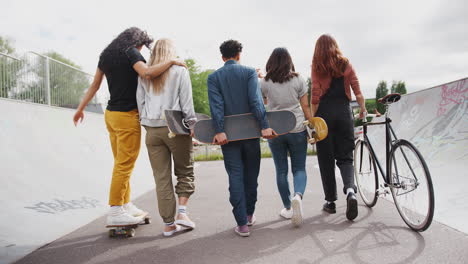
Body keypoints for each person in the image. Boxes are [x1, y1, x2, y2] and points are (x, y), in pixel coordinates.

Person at [73, 27, 186, 226]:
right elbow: (147, 73)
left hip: (111, 116)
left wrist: (80, 108)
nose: (141, 50)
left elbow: (95, 85)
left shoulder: (106, 55)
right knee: (124, 165)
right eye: (142, 46)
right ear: (138, 42)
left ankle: (125, 203)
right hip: (126, 116)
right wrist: (171, 61)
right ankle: (116, 210)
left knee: (120, 163)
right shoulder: (130, 52)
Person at [207, 39, 276, 237]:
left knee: (235, 176)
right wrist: (264, 126)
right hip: (251, 134)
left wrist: (219, 130)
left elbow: (216, 106)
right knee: (251, 176)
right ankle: (249, 215)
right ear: (239, 55)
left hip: (227, 137)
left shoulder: (214, 78)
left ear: (222, 57)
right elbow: (256, 102)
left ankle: (242, 225)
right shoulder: (248, 73)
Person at [136, 38, 196, 237]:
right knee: (185, 172)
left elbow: (140, 103)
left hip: (152, 130)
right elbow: (186, 104)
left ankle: (168, 225)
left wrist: (147, 125)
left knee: (161, 178)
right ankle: (182, 214)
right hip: (175, 128)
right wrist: (193, 126)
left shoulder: (145, 74)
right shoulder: (179, 70)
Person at [310, 34, 367, 221]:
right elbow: (357, 90)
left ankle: (331, 202)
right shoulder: (346, 64)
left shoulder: (317, 67)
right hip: (344, 112)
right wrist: (362, 110)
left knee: (326, 159)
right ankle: (350, 191)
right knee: (345, 157)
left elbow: (315, 97)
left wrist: (312, 119)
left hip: (324, 115)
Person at [259, 47, 312, 227]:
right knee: (299, 168)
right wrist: (312, 123)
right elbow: (305, 107)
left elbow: (263, 103)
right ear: (289, 61)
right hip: (296, 128)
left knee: (281, 170)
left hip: (275, 131)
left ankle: (288, 208)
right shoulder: (298, 79)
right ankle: (298, 195)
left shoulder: (264, 82)